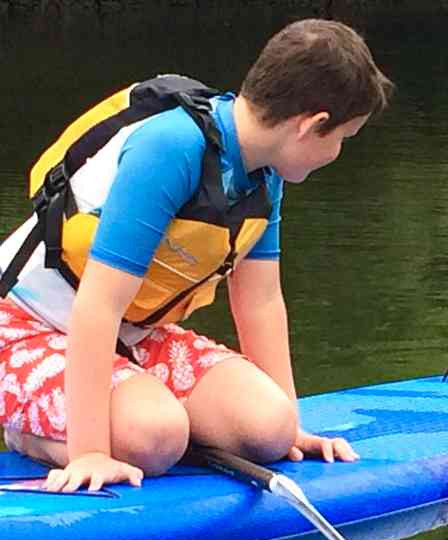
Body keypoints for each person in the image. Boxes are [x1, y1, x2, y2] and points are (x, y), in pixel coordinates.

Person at [0, 18, 394, 493]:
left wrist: (293, 429)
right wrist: (91, 453)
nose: (337, 153)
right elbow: (98, 305)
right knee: (155, 437)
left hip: (131, 333)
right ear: (312, 126)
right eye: (342, 140)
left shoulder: (263, 172)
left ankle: (135, 410)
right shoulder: (171, 148)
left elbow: (260, 302)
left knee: (268, 428)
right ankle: (29, 433)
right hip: (25, 329)